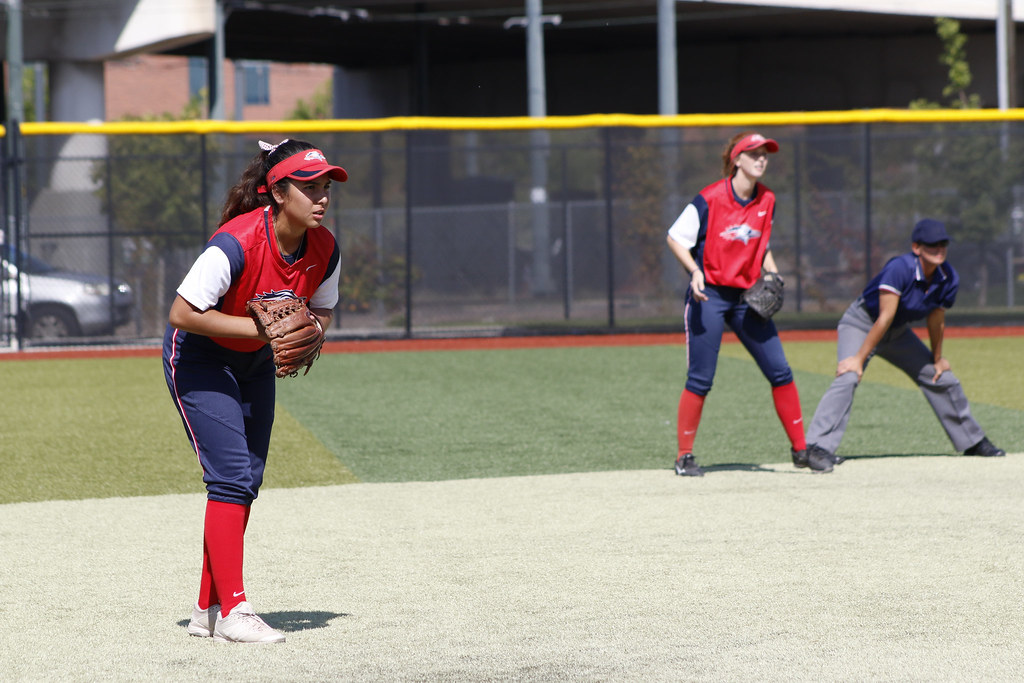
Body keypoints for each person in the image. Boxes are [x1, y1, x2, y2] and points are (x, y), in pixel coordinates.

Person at [162, 139, 346, 643]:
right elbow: (182, 314)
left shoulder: (324, 248)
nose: (321, 196)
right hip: (198, 357)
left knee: (247, 479)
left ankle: (209, 607)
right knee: (230, 477)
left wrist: (314, 330)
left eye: (325, 186)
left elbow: (323, 310)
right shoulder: (236, 242)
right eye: (309, 187)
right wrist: (264, 332)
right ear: (278, 192)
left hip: (254, 365)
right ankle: (237, 612)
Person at [666, 132, 832, 477]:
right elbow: (675, 237)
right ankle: (684, 457)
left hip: (745, 296)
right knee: (701, 379)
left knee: (780, 371)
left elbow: (760, 245)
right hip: (708, 294)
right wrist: (694, 271)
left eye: (765, 154)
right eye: (753, 153)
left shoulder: (767, 199)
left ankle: (800, 451)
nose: (761, 159)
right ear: (736, 160)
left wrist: (773, 272)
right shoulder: (710, 199)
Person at [805, 218, 1005, 464]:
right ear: (916, 247)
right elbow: (884, 317)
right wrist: (858, 360)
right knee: (848, 375)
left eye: (943, 244)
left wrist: (938, 358)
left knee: (942, 377)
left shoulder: (948, 277)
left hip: (896, 332)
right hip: (862, 322)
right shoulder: (900, 268)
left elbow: (936, 321)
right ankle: (815, 447)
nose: (939, 249)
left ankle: (972, 441)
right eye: (932, 244)